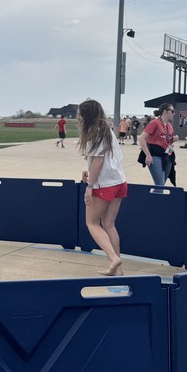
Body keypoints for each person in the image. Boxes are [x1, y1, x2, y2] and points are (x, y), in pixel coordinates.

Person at [77, 100, 127, 276]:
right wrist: (88, 172)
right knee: (109, 224)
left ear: (86, 115)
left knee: (92, 223)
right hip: (119, 182)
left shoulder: (94, 132)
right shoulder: (106, 130)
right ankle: (118, 270)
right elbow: (101, 159)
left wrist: (89, 186)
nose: (77, 118)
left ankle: (114, 259)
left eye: (79, 114)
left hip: (103, 185)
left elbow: (98, 161)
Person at [138, 104, 176, 186]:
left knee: (162, 184)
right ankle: (157, 198)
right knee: (160, 184)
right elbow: (141, 138)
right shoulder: (155, 123)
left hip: (167, 155)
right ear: (165, 111)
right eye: (172, 111)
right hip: (155, 155)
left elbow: (167, 142)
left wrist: (173, 140)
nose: (174, 113)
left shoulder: (169, 125)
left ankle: (158, 197)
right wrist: (148, 155)